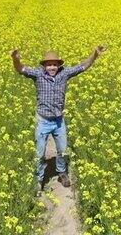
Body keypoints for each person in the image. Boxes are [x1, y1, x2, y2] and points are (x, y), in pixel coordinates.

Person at [11, 45, 107, 192]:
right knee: (39, 152)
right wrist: (15, 59)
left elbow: (82, 67)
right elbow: (21, 69)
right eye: (49, 64)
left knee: (62, 150)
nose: (52, 67)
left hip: (58, 120)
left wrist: (94, 55)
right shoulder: (38, 74)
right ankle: (39, 179)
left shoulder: (64, 73)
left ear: (59, 65)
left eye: (55, 64)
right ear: (44, 65)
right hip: (43, 120)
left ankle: (61, 172)